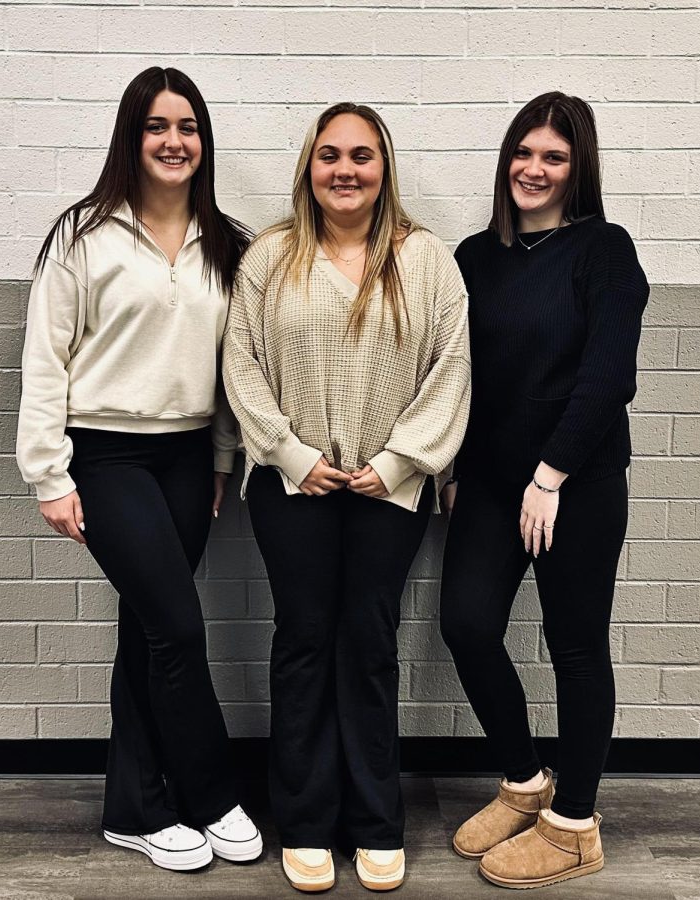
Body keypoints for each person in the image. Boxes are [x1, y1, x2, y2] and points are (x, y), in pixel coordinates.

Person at [15, 67, 262, 873]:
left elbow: (237, 367)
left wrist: (223, 457)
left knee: (150, 633)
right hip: (106, 453)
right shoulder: (82, 235)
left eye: (187, 127)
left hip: (190, 457)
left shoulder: (228, 242)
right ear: (131, 137)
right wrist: (49, 475)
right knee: (180, 629)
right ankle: (210, 794)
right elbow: (45, 360)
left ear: (204, 140)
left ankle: (133, 807)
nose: (174, 141)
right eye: (157, 127)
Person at [223, 102, 470, 893]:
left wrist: (398, 464)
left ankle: (373, 821)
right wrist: (293, 455)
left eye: (362, 156)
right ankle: (303, 820)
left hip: (387, 491)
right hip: (293, 487)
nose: (346, 170)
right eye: (330, 155)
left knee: (367, 645)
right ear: (309, 167)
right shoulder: (270, 258)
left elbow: (451, 370)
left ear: (384, 168)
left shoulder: (425, 259)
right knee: (302, 641)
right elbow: (242, 367)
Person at [439, 92, 649, 889]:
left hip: (578, 483)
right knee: (466, 624)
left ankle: (574, 825)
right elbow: (457, 376)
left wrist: (550, 474)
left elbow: (608, 376)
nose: (535, 169)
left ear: (577, 169)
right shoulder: (473, 257)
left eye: (554, 157)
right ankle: (526, 783)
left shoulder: (605, 251)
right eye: (524, 153)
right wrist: (456, 471)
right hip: (491, 484)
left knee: (577, 649)